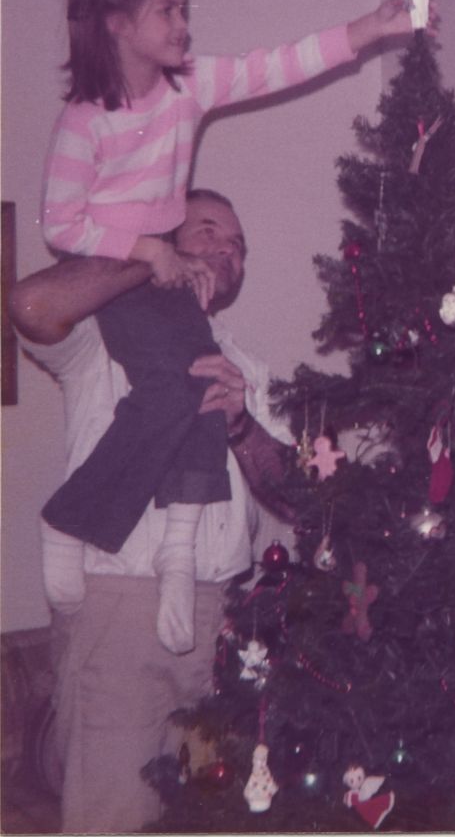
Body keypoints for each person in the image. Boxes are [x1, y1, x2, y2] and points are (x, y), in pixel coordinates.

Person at [37, 0, 422, 656]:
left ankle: (178, 553)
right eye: (168, 9)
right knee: (165, 392)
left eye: (186, 9)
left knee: (201, 391)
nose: (184, 23)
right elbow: (60, 224)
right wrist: (149, 248)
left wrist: (369, 29)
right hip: (120, 276)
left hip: (165, 286)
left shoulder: (190, 87)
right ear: (116, 22)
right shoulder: (84, 121)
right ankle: (69, 519)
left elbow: (274, 65)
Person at [10, 189, 307, 833]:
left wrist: (241, 423)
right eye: (207, 232)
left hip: (221, 616)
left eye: (237, 247)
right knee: (115, 817)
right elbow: (29, 304)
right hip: (124, 606)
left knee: (203, 817)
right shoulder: (109, 333)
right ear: (169, 235)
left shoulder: (247, 362)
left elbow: (292, 495)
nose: (225, 252)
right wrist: (149, 261)